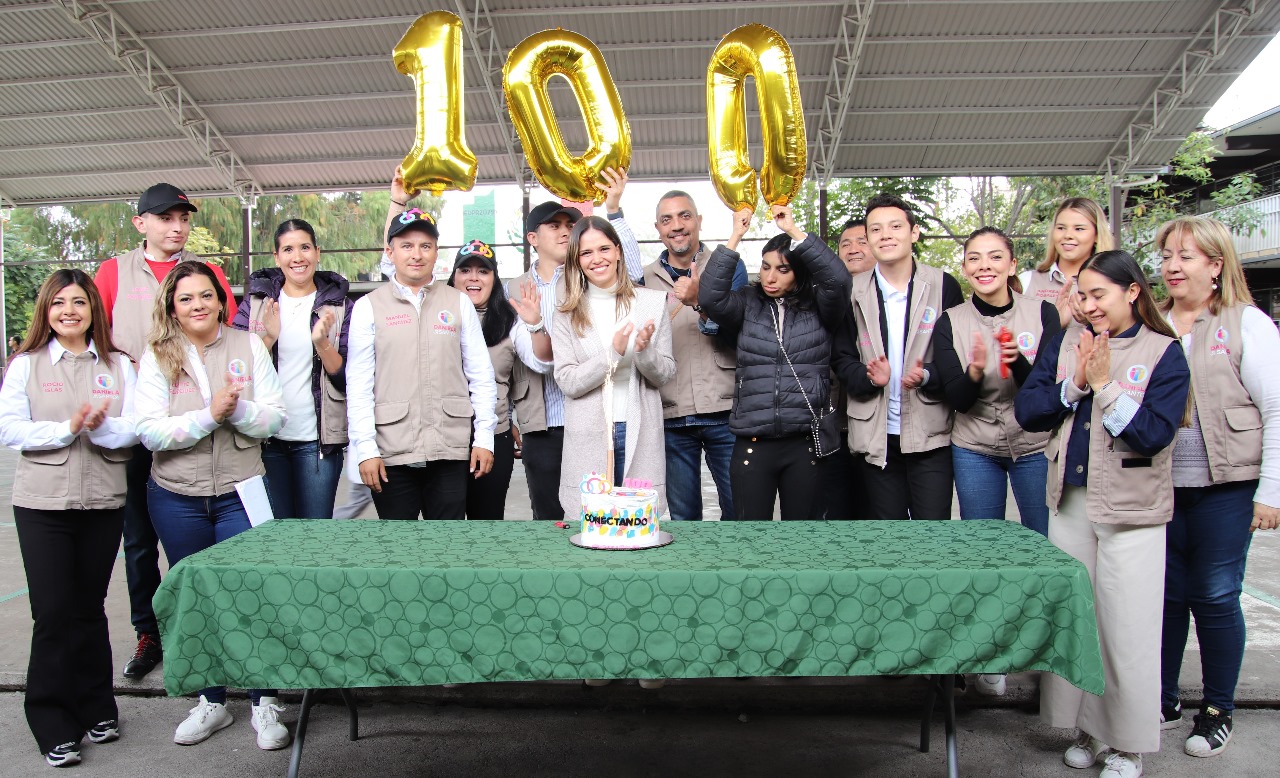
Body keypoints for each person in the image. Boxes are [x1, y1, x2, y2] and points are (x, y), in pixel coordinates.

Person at [1015, 250, 1190, 778]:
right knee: (1080, 620)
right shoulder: (1066, 340)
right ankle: (1088, 731)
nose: (1089, 305)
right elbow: (1030, 409)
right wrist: (1075, 385)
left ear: (1132, 292)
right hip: (1070, 500)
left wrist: (1106, 384)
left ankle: (1128, 743)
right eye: (1082, 295)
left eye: (1100, 295)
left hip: (1133, 510)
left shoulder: (1164, 352)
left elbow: (1155, 434)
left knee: (1128, 628)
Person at [134, 262, 290, 750]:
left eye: (206, 296)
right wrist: (207, 417)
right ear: (172, 307)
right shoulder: (158, 355)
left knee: (251, 593)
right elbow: (149, 429)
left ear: (221, 301)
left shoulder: (248, 346)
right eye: (186, 298)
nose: (198, 305)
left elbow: (274, 418)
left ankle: (266, 704)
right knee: (196, 599)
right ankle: (212, 702)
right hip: (176, 496)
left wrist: (237, 411)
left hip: (242, 491)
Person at [94, 182, 239, 680]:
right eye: (164, 218)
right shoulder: (113, 274)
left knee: (211, 541)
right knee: (138, 539)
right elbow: (97, 341)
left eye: (183, 218)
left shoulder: (207, 274)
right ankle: (150, 631)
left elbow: (229, 344)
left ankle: (220, 632)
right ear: (141, 224)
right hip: (140, 426)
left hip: (206, 429)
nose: (176, 226)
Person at [0, 271, 137, 768]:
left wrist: (101, 429)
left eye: (79, 302)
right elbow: (10, 428)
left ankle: (97, 706)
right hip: (42, 505)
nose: (70, 311)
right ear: (46, 311)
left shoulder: (120, 364)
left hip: (101, 501)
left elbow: (136, 428)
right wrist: (68, 428)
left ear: (94, 310)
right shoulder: (27, 366)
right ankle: (53, 719)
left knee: (88, 608)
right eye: (59, 303)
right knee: (53, 612)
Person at [1155, 216, 1280, 758]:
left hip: (1228, 488)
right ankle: (1161, 697)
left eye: (1187, 256)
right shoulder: (1153, 323)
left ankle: (1217, 707)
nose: (1173, 266)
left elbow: (1276, 409)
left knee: (1214, 594)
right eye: (1167, 255)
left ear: (1216, 264)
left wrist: (1270, 492)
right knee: (1167, 596)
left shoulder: (1243, 322)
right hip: (1162, 490)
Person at [929, 227, 1060, 697]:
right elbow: (958, 400)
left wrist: (1019, 362)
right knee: (982, 552)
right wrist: (976, 370)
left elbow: (1047, 393)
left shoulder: (1042, 313)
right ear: (965, 268)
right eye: (975, 259)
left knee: (1044, 548)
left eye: (995, 257)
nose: (984, 266)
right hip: (975, 444)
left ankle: (1043, 651)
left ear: (1010, 264)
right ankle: (989, 650)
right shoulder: (950, 321)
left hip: (1035, 445)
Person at [505, 169, 645, 520]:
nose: (565, 230)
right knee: (552, 520)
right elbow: (533, 361)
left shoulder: (592, 278)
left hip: (597, 414)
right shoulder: (515, 290)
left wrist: (613, 208)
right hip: (545, 421)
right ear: (533, 238)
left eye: (570, 224)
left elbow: (632, 270)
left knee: (608, 514)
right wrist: (536, 322)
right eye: (554, 226)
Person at [700, 205, 850, 520]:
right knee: (751, 540)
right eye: (766, 267)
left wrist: (795, 231)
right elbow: (711, 297)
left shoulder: (819, 307)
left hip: (805, 441)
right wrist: (735, 237)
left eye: (782, 269)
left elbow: (837, 281)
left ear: (800, 272)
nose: (770, 277)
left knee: (802, 539)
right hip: (753, 441)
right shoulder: (747, 303)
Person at [346, 207, 497, 521]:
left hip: (450, 449)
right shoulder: (367, 307)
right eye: (407, 246)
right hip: (390, 453)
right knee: (398, 553)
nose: (416, 254)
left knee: (445, 550)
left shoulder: (458, 302)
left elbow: (481, 376)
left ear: (436, 252)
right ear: (391, 251)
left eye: (425, 246)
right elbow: (359, 385)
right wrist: (366, 449)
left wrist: (484, 439)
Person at [832, 193, 964, 520]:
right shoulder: (850, 291)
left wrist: (929, 375)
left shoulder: (943, 284)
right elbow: (841, 356)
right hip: (875, 439)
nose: (886, 235)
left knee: (932, 539)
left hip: (930, 435)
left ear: (914, 232)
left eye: (895, 226)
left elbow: (956, 353)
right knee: (886, 542)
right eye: (875, 230)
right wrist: (866, 377)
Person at [552, 215, 675, 513]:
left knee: (637, 523)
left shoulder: (652, 303)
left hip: (640, 427)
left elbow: (666, 374)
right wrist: (613, 354)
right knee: (592, 526)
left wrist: (644, 352)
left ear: (618, 251)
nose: (597, 259)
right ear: (577, 260)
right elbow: (567, 381)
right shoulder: (566, 313)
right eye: (586, 252)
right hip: (588, 432)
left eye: (604, 249)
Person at [231, 219, 351, 519]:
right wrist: (267, 338)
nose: (297, 257)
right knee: (276, 536)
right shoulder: (256, 304)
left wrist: (322, 343)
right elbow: (236, 368)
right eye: (288, 249)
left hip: (317, 442)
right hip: (267, 439)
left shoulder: (340, 306)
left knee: (314, 535)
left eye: (304, 247)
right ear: (276, 257)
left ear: (317, 252)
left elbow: (347, 378)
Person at [642, 190, 743, 521]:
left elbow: (742, 329)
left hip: (724, 411)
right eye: (667, 219)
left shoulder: (728, 266)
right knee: (684, 521)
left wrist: (700, 303)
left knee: (741, 512)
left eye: (685, 216)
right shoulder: (644, 279)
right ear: (657, 228)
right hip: (671, 416)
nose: (677, 226)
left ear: (699, 222)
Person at [446, 239, 552, 519]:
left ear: (494, 278)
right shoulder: (437, 316)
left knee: (487, 523)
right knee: (446, 524)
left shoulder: (508, 320)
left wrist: (535, 324)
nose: (473, 277)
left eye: (483, 271)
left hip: (494, 436)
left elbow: (541, 363)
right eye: (465, 269)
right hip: (444, 438)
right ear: (453, 276)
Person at [821, 217, 873, 519]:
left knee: (874, 508)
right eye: (845, 244)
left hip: (873, 423)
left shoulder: (890, 298)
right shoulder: (828, 295)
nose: (853, 249)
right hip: (832, 424)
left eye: (861, 241)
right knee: (834, 510)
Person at [1020, 198, 1114, 329]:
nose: (1068, 235)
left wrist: (1092, 322)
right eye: (1061, 228)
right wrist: (1053, 325)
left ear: (1097, 235)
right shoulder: (1026, 281)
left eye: (1079, 229)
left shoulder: (1114, 284)